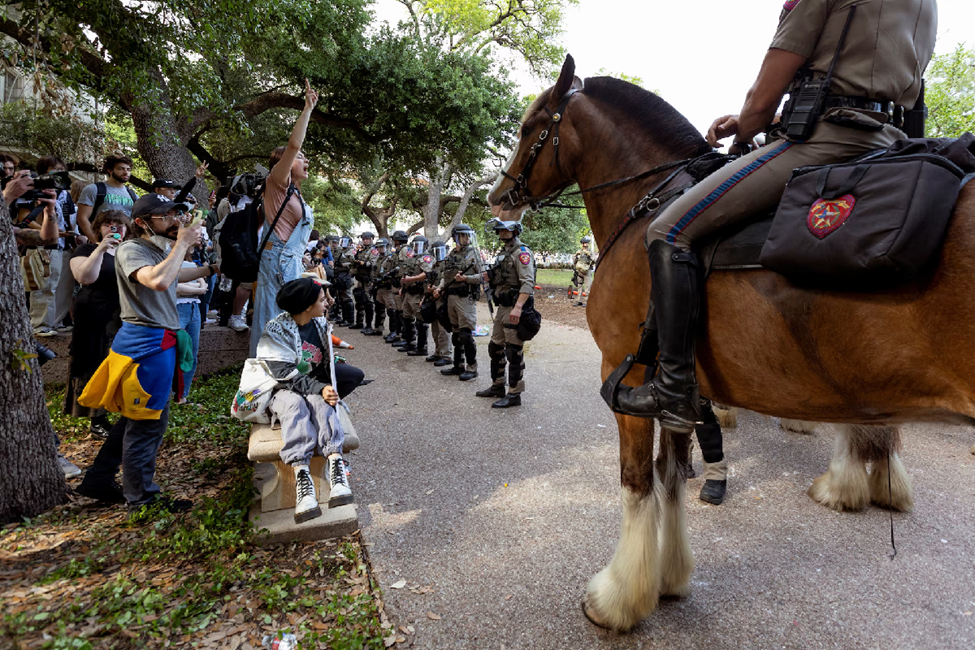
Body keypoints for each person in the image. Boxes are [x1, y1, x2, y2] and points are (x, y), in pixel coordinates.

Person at [608, 0, 937, 433]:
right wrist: (762, 118)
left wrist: (747, 125)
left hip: (830, 142)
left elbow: (763, 95)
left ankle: (673, 387)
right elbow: (866, 82)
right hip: (893, 143)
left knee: (668, 230)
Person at [74, 192, 217, 513]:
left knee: (134, 420)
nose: (175, 221)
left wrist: (211, 267)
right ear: (141, 222)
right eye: (166, 216)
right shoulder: (131, 249)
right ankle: (141, 499)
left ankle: (97, 478)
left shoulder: (154, 249)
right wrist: (182, 244)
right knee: (147, 424)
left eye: (177, 215)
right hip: (145, 347)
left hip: (156, 343)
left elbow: (174, 274)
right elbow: (158, 280)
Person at [257, 278, 359, 521]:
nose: (327, 303)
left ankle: (336, 466)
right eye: (322, 300)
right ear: (306, 307)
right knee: (295, 404)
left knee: (319, 402)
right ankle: (303, 481)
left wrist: (325, 388)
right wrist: (319, 387)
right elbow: (283, 375)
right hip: (281, 389)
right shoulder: (275, 330)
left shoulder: (319, 322)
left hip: (311, 385)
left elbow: (322, 367)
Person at [249, 79, 319, 356]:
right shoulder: (277, 182)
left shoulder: (294, 193)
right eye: (301, 157)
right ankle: (263, 368)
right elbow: (292, 144)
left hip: (287, 260)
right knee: (271, 312)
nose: (306, 161)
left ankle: (286, 362)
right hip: (275, 258)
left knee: (287, 312)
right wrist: (308, 110)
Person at [65, 210, 129, 438]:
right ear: (98, 228)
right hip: (94, 314)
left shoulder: (128, 251)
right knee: (95, 363)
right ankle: (96, 419)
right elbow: (84, 277)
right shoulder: (87, 250)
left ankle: (121, 412)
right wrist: (102, 247)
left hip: (122, 315)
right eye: (108, 224)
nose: (115, 229)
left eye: (119, 224)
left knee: (119, 365)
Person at [477, 219, 535, 408]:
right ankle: (498, 385)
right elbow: (503, 277)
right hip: (502, 307)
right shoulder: (504, 253)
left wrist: (518, 307)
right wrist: (491, 277)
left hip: (514, 306)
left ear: (515, 231)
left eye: (505, 229)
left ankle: (514, 393)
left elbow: (527, 283)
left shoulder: (522, 253)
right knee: (495, 347)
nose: (501, 232)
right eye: (500, 229)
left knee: (513, 350)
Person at [436, 224, 481, 378]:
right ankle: (458, 365)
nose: (467, 238)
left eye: (468, 235)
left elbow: (483, 276)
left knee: (465, 335)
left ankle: (471, 367)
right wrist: (440, 287)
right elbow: (445, 275)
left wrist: (466, 278)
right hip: (451, 297)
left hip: (465, 298)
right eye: (463, 235)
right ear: (456, 237)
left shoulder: (474, 254)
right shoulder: (450, 254)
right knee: (455, 334)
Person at [75, 155, 139, 241]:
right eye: (121, 169)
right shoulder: (94, 189)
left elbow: (133, 222)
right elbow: (82, 218)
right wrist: (95, 241)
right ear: (110, 170)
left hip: (123, 244)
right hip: (99, 240)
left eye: (128, 169)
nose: (125, 172)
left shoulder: (133, 195)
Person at [176, 250, 207, 402]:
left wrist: (195, 286)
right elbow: (174, 287)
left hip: (194, 308)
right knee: (175, 353)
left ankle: (183, 395)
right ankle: (169, 394)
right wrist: (198, 288)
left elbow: (203, 282)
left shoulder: (191, 261)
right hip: (177, 308)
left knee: (191, 354)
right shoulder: (164, 258)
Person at [398, 235, 434, 357]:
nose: (417, 247)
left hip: (418, 292)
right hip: (408, 291)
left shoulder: (426, 258)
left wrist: (411, 279)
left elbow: (427, 273)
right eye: (415, 245)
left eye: (419, 245)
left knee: (420, 320)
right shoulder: (412, 258)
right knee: (406, 317)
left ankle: (422, 347)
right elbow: (406, 274)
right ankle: (410, 342)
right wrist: (402, 288)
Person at [425, 240, 453, 366]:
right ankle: (438, 352)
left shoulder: (448, 263)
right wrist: (429, 290)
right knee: (435, 328)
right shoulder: (434, 265)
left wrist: (438, 289)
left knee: (443, 329)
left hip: (443, 299)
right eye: (436, 251)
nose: (439, 254)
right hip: (434, 298)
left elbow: (445, 279)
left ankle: (446, 355)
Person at [384, 230, 411, 344]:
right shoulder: (398, 250)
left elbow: (407, 265)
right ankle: (399, 334)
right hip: (396, 282)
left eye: (395, 239)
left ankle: (404, 336)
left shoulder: (405, 250)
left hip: (401, 283)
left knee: (402, 311)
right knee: (398, 310)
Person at [351, 232, 377, 332]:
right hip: (360, 278)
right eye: (363, 239)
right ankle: (359, 322)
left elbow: (372, 264)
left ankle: (369, 325)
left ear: (371, 239)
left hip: (368, 279)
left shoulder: (373, 250)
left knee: (368, 302)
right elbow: (355, 260)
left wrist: (362, 263)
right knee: (359, 300)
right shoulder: (361, 249)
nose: (365, 240)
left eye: (367, 238)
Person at [366, 237, 392, 337]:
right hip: (378, 287)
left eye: (382, 247)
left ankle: (393, 332)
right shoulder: (378, 259)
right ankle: (378, 328)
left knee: (391, 310)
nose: (380, 249)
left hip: (387, 287)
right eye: (379, 247)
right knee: (379, 308)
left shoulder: (390, 258)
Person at [331, 235, 357, 326]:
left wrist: (343, 265)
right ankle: (344, 318)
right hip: (339, 275)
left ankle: (350, 320)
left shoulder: (351, 251)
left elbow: (354, 263)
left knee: (347, 297)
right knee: (341, 298)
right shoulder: (340, 250)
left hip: (346, 276)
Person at [570, 236, 595, 307]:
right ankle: (578, 301)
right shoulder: (579, 251)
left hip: (587, 271)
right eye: (585, 242)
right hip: (580, 271)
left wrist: (589, 254)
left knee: (587, 288)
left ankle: (586, 301)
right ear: (582, 243)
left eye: (587, 242)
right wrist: (575, 255)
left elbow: (594, 260)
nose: (586, 244)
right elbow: (575, 262)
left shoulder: (590, 251)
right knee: (579, 287)